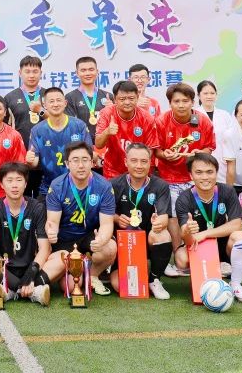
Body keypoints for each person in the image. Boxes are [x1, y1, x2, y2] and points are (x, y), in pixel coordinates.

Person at [173, 153, 242, 303]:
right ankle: (207, 270)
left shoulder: (228, 191)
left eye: (209, 172)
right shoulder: (183, 199)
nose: (205, 177)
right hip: (197, 246)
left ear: (216, 173)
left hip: (223, 246)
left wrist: (205, 233)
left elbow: (236, 224)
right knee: (181, 259)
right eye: (199, 172)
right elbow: (187, 237)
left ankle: (236, 285)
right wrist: (187, 231)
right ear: (191, 175)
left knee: (241, 237)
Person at [153, 82, 216, 277]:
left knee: (197, 215)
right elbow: (156, 150)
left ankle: (203, 253)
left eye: (185, 101)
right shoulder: (161, 121)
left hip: (195, 178)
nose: (181, 105)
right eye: (176, 101)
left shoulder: (202, 120)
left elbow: (210, 147)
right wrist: (165, 155)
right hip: (169, 177)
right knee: (172, 216)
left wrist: (199, 154)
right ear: (170, 103)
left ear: (192, 102)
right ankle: (178, 251)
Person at [41, 142, 117, 296]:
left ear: (92, 162)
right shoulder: (57, 186)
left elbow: (107, 224)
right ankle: (77, 272)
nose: (81, 165)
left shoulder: (104, 186)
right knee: (70, 286)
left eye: (85, 160)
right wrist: (51, 232)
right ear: (67, 164)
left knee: (109, 247)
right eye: (75, 160)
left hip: (89, 235)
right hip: (65, 239)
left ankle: (93, 275)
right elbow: (52, 222)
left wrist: (101, 239)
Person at [0, 162, 52, 306]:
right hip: (4, 269)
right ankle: (31, 291)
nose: (14, 185)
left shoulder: (37, 208)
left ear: (25, 184)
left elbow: (44, 248)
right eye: (9, 180)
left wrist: (31, 272)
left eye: (19, 180)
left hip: (31, 266)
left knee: (60, 257)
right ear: (2, 184)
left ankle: (10, 291)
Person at [109, 144, 173, 300]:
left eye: (144, 161)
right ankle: (118, 269)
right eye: (134, 161)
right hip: (123, 245)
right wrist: (117, 218)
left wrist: (158, 222)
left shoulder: (160, 186)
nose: (139, 166)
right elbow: (104, 214)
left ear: (150, 162)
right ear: (126, 162)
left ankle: (154, 279)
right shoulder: (113, 184)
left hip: (147, 241)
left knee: (162, 235)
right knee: (121, 286)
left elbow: (164, 217)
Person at [26, 87, 92, 198]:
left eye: (59, 100)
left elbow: (89, 155)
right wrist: (30, 161)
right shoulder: (37, 130)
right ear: (44, 105)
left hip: (78, 188)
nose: (55, 104)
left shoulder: (79, 125)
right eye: (51, 101)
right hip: (49, 188)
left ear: (65, 103)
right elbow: (34, 163)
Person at [94, 80, 159, 179]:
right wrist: (107, 132)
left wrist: (136, 164)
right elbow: (98, 144)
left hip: (139, 170)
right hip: (113, 170)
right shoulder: (106, 113)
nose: (127, 102)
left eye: (131, 98)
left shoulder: (147, 118)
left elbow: (150, 149)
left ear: (137, 97)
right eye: (122, 99)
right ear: (115, 99)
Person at [4, 56, 46, 149]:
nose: (31, 75)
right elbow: (3, 127)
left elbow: (58, 120)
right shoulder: (10, 97)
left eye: (35, 71)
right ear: (20, 73)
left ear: (41, 73)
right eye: (27, 72)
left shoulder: (49, 95)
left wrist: (41, 110)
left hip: (47, 147)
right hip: (19, 149)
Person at [65, 56, 111, 141]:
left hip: (105, 143)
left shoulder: (108, 96)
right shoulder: (70, 97)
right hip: (82, 145)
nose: (87, 73)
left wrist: (112, 110)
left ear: (97, 72)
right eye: (83, 70)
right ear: (77, 73)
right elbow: (70, 125)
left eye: (91, 69)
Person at [196, 80, 234, 179]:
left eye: (212, 93)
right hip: (200, 160)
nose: (209, 96)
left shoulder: (225, 115)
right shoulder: (193, 115)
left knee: (222, 186)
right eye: (205, 93)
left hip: (222, 162)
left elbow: (232, 138)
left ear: (216, 95)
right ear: (199, 95)